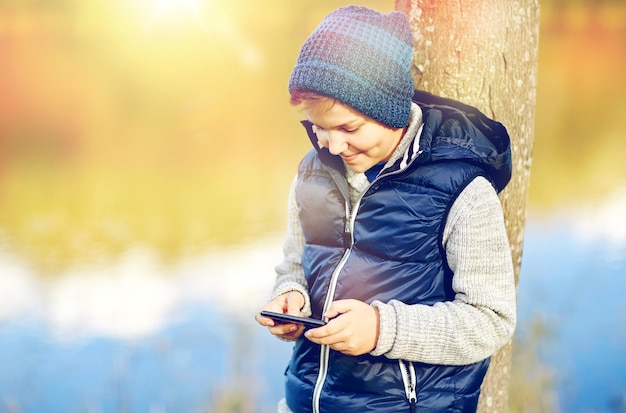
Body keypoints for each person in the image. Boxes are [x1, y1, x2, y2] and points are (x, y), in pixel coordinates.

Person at [255, 5, 516, 413]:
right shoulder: (312, 172)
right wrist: (290, 295)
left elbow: (490, 320)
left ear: (389, 110)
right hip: (308, 401)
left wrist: (381, 329)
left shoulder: (462, 189)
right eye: (318, 127)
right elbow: (296, 262)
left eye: (349, 128)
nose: (332, 146)